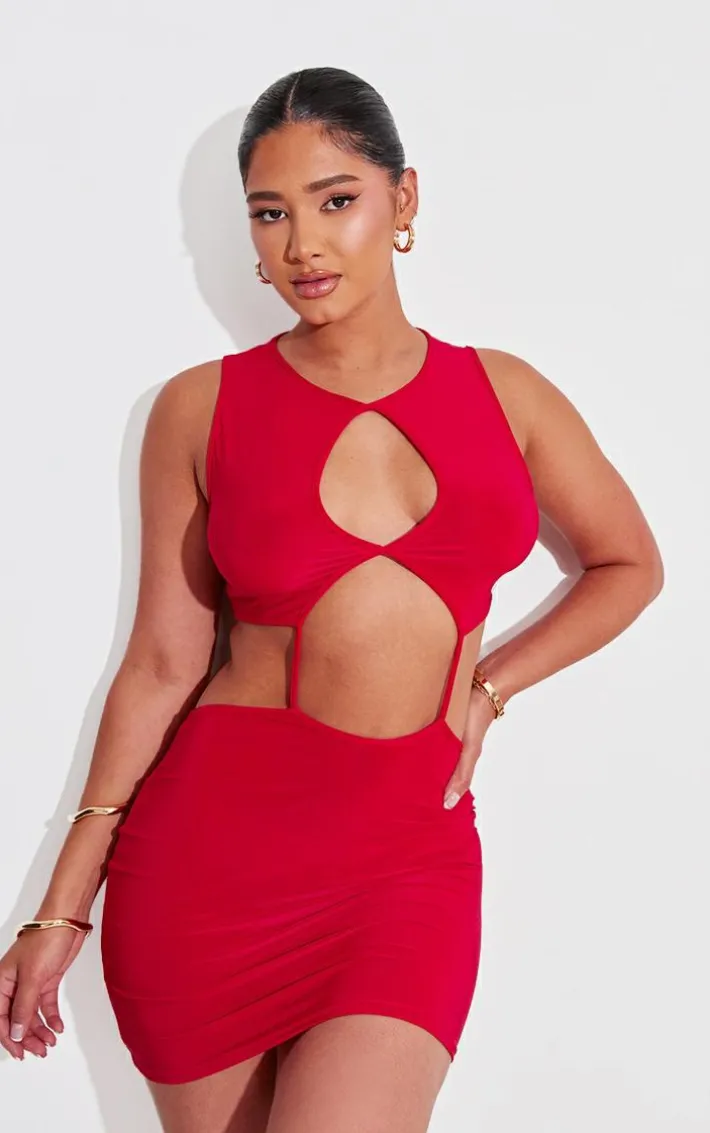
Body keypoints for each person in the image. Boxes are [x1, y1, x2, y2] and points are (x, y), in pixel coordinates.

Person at [0, 66, 664, 1133]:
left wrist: (489, 688)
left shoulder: (508, 396)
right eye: (269, 214)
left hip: (408, 867)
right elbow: (162, 665)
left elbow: (627, 563)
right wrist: (60, 907)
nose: (302, 244)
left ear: (403, 198)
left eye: (335, 199)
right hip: (210, 870)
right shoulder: (199, 409)